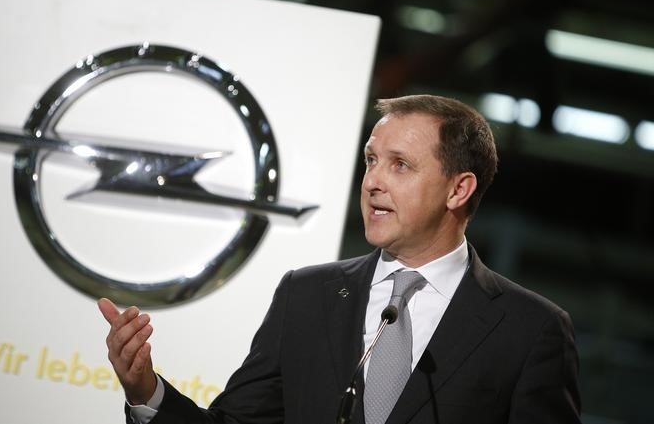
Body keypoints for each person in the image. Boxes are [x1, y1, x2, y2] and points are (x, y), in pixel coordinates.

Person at [98, 94, 581, 424]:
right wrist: (145, 392)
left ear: (459, 189)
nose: (373, 182)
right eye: (371, 160)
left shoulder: (528, 330)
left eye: (400, 165)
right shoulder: (307, 295)